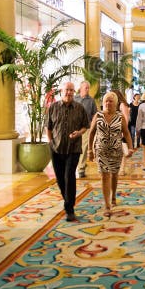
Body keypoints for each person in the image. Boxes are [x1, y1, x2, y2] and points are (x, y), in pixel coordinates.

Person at [46, 82, 89, 222]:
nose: (69, 92)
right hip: (56, 148)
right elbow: (48, 127)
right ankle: (68, 199)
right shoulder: (53, 107)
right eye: (66, 90)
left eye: (71, 90)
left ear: (74, 92)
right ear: (61, 91)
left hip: (73, 148)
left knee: (69, 176)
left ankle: (69, 209)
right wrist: (50, 142)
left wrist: (79, 133)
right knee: (60, 178)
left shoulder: (79, 108)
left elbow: (85, 126)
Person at [88, 91, 133, 217]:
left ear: (116, 103)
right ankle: (107, 205)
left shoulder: (120, 117)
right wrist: (90, 151)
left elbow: (127, 133)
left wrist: (130, 148)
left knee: (114, 175)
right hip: (101, 151)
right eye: (106, 101)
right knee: (104, 176)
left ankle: (113, 196)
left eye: (110, 101)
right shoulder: (98, 116)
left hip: (116, 151)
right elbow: (91, 133)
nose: (108, 103)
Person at [75, 80, 98, 179]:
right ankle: (75, 166)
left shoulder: (91, 100)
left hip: (86, 128)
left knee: (84, 148)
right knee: (74, 148)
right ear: (80, 88)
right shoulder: (74, 99)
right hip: (74, 127)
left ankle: (81, 169)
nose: (87, 90)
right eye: (86, 88)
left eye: (88, 88)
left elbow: (95, 115)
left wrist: (93, 127)